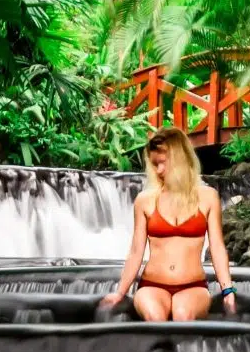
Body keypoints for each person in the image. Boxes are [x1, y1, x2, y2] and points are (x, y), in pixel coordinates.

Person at [102, 127, 239, 321]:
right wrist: (120, 292)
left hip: (193, 286)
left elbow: (217, 247)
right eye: (154, 164)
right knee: (155, 316)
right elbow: (135, 251)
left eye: (163, 163)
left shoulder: (208, 197)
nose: (158, 170)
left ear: (180, 159)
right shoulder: (145, 200)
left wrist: (227, 290)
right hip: (152, 285)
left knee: (183, 316)